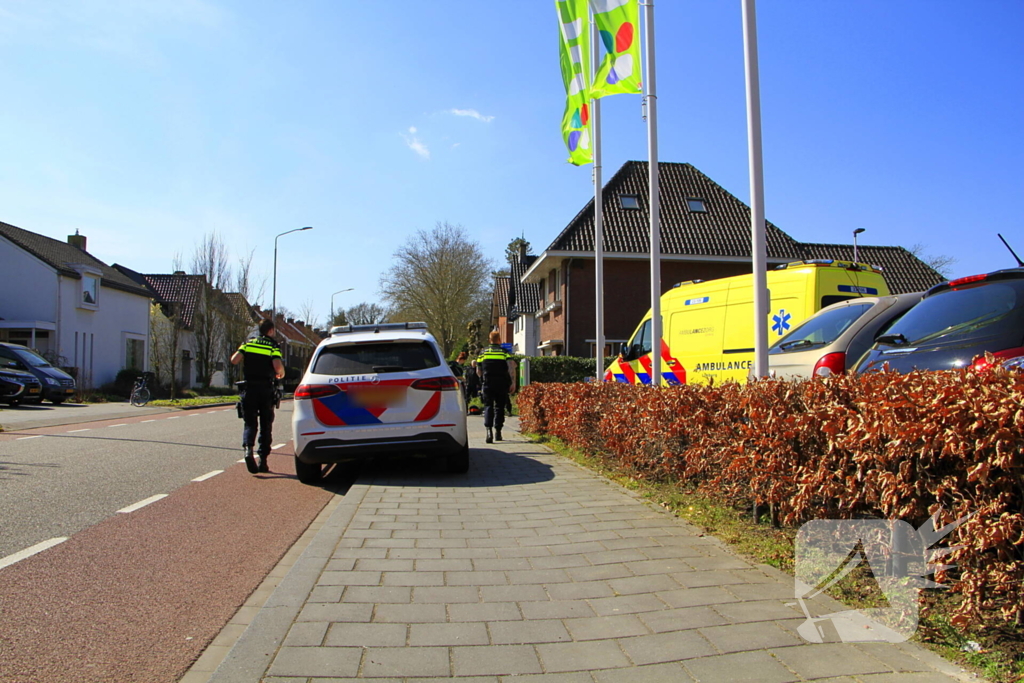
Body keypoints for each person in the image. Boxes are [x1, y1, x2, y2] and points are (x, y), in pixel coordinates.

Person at [230, 319, 285, 474]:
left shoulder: (248, 343)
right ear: (271, 330)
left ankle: (248, 450)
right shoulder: (273, 346)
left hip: (249, 388)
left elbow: (234, 360)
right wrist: (281, 373)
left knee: (250, 423)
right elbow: (277, 367)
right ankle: (263, 461)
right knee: (266, 425)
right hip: (265, 389)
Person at [476, 331, 517, 443]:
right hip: (501, 383)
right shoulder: (504, 352)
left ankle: (488, 431)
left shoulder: (483, 352)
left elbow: (478, 370)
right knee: (499, 407)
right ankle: (498, 432)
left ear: (489, 340)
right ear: (499, 340)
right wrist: (513, 382)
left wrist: (482, 380)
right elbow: (511, 367)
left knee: (488, 406)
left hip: (488, 383)